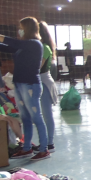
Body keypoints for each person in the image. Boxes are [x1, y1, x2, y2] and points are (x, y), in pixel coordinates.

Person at [0, 18, 49, 161]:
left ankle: (44, 149)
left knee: (36, 117)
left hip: (30, 85)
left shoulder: (34, 44)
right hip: (19, 84)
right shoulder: (23, 45)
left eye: (21, 27)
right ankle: (27, 148)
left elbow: (12, 43)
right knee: (25, 118)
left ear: (27, 28)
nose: (19, 30)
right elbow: (7, 47)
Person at [38, 21, 59, 153]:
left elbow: (37, 66)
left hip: (44, 84)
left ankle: (50, 143)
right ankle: (44, 142)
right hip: (37, 83)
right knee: (39, 114)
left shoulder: (45, 47)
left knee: (47, 114)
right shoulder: (38, 46)